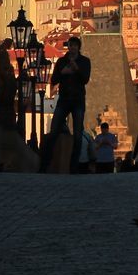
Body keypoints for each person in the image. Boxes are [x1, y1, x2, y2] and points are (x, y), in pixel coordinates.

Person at [40, 36, 92, 173]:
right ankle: (45, 164)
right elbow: (54, 79)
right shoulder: (62, 61)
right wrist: (63, 72)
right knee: (53, 131)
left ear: (78, 47)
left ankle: (73, 167)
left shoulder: (85, 61)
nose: (73, 47)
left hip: (78, 100)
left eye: (75, 45)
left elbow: (85, 79)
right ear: (68, 47)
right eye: (71, 45)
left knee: (78, 134)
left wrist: (76, 69)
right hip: (63, 100)